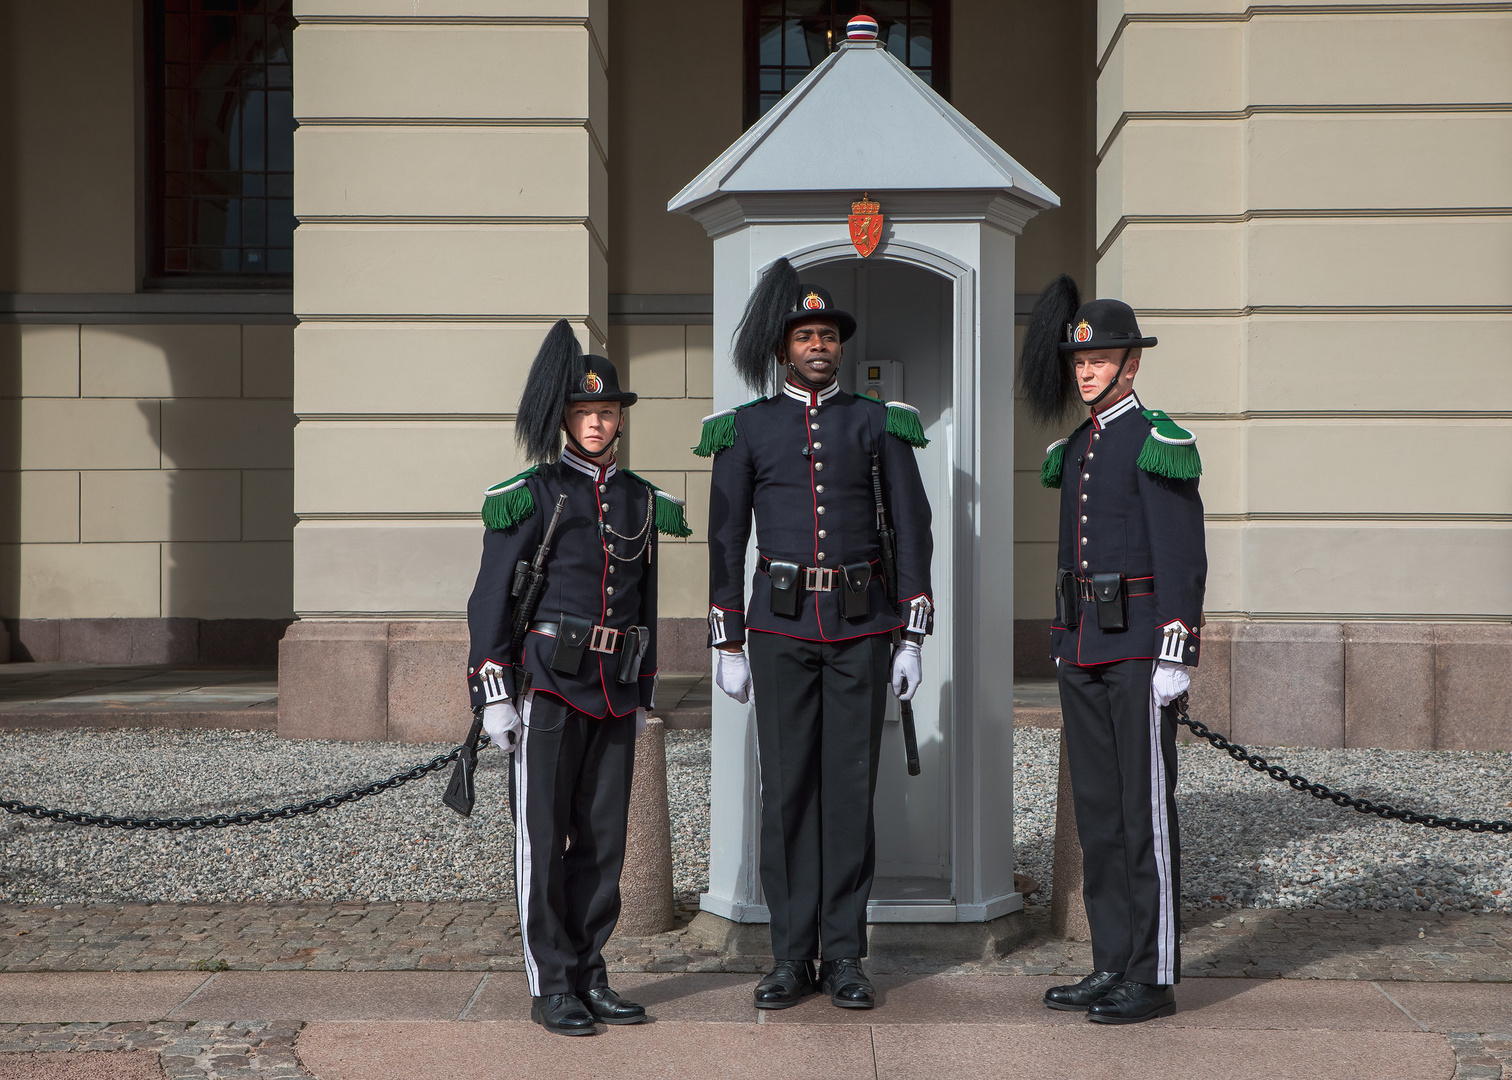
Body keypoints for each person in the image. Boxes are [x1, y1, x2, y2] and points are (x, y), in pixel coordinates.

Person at [697, 258, 934, 1011]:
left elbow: (914, 529)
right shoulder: (746, 430)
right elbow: (725, 537)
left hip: (863, 627)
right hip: (778, 627)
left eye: (828, 335)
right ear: (782, 350)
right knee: (788, 794)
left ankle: (845, 955)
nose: (819, 346)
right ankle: (789, 955)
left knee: (849, 793)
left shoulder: (877, 422)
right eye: (805, 336)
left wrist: (912, 635)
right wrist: (727, 641)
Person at [465, 320, 690, 1036]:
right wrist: (494, 693)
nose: (597, 422)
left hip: (615, 687)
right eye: (584, 412)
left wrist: (646, 685)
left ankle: (591, 974)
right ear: (565, 418)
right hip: (548, 687)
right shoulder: (531, 494)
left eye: (607, 411)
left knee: (603, 844)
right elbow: (489, 600)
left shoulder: (638, 501)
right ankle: (551, 983)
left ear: (620, 418)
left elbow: (644, 600)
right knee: (543, 838)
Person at [1020, 276, 1207, 1025]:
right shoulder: (1077, 447)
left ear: (1132, 363)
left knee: (1144, 813)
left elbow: (1182, 557)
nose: (1087, 370)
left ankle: (1153, 976)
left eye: (1101, 359)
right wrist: (1064, 644)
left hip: (1137, 650)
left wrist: (1176, 649)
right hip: (1086, 647)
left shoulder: (1157, 441)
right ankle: (1111, 962)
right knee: (1099, 814)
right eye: (1079, 361)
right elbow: (1069, 556)